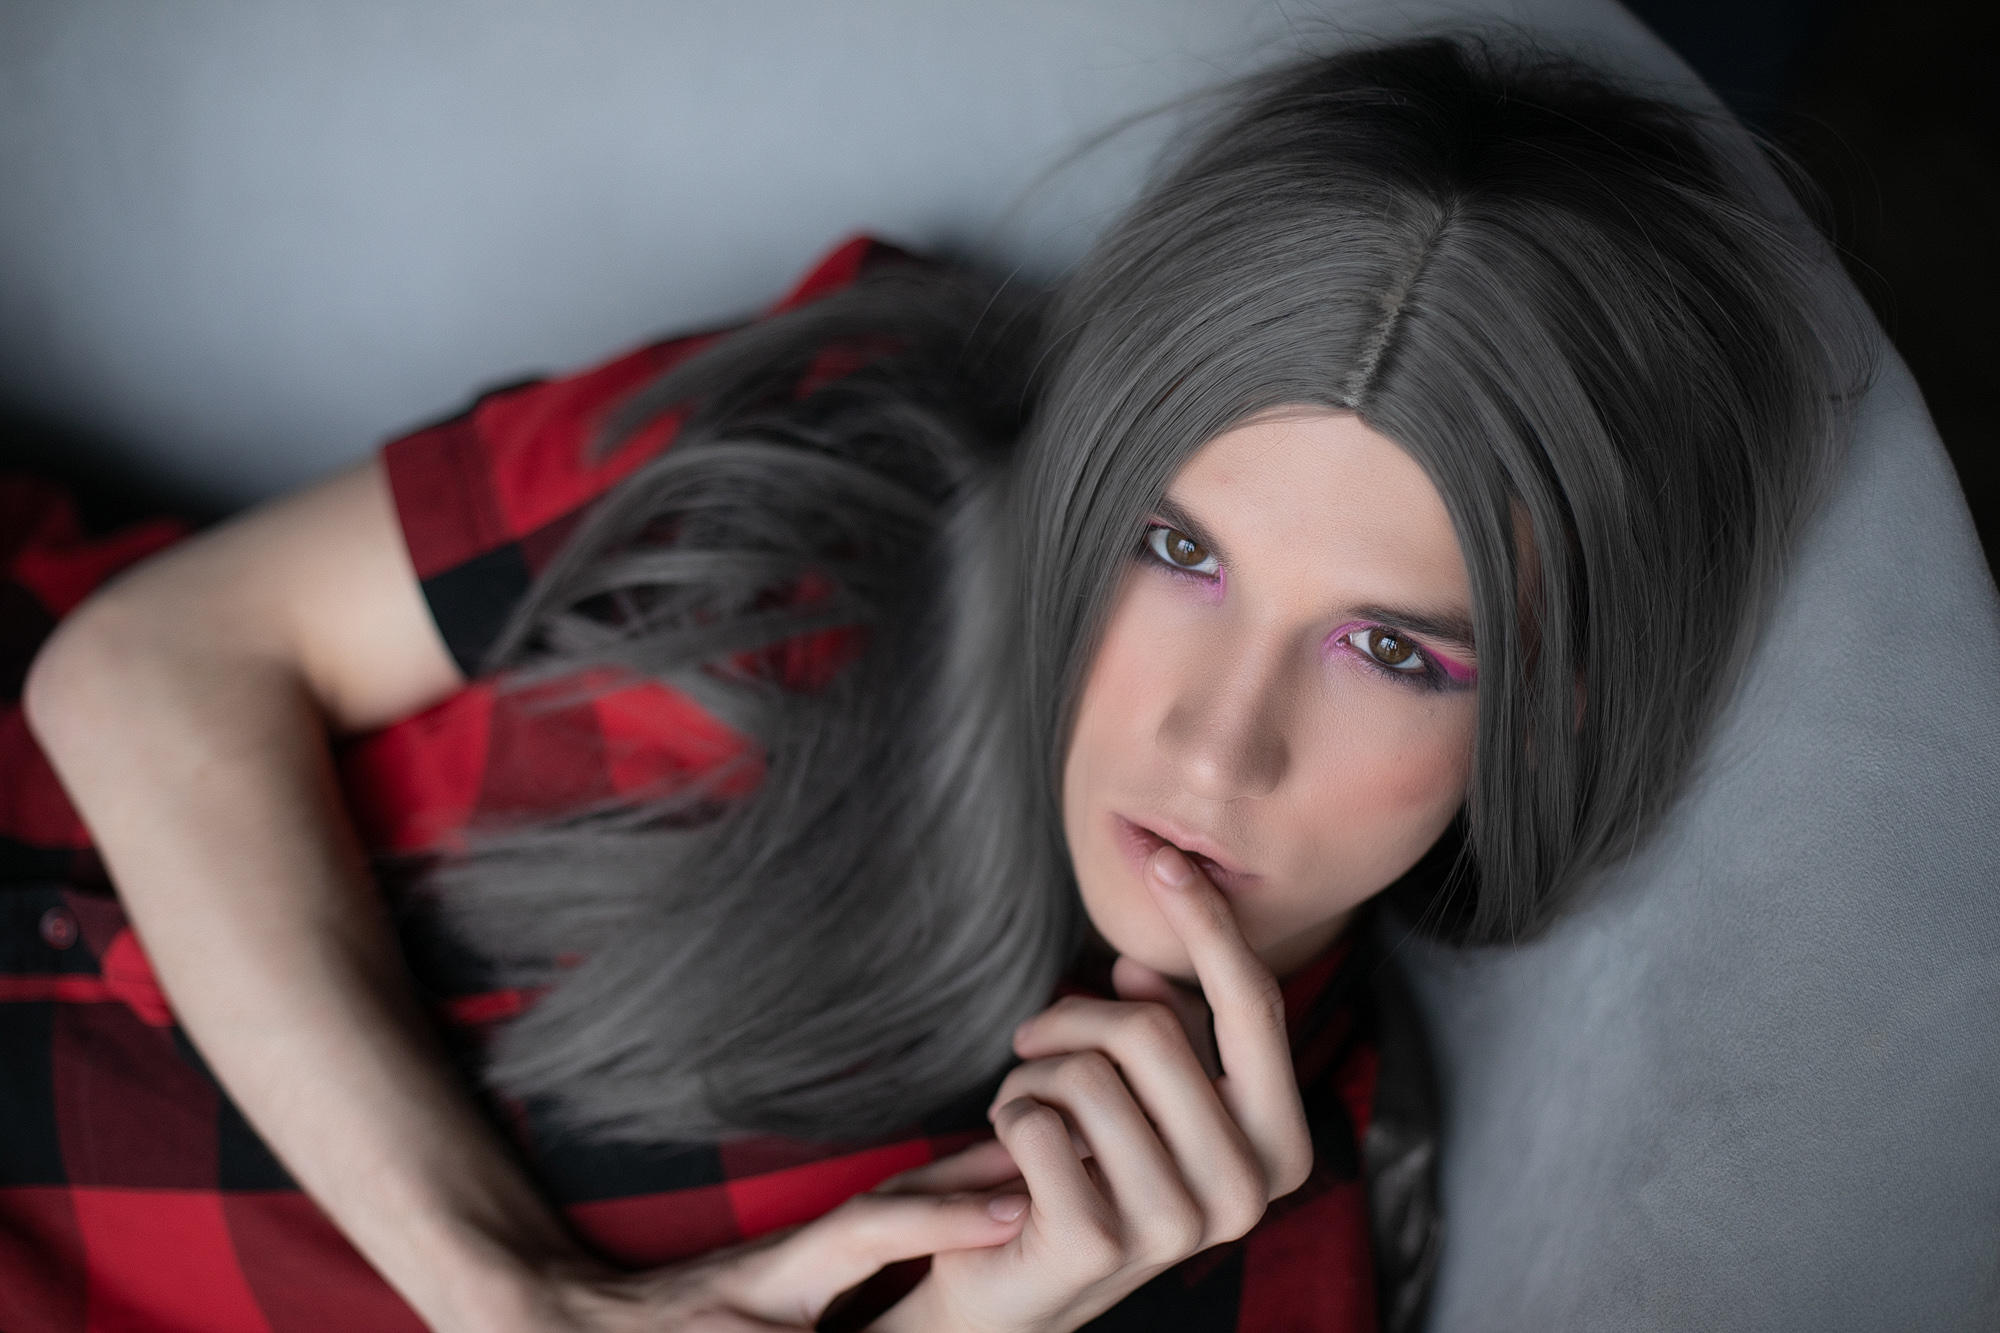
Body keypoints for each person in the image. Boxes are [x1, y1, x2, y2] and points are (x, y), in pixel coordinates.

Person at [5, 30, 1864, 1333]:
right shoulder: (851, 463)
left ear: (1556, 705)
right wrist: (508, 1292)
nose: (1214, 742)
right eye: (1175, 548)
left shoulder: (1248, 1275)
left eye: (1394, 649)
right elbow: (149, 667)